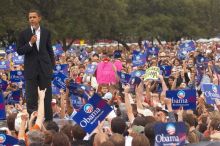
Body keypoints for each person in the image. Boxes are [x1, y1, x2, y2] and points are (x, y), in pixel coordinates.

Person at [17, 9, 55, 121]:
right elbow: (19, 51)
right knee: (31, 99)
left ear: (39, 18)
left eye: (34, 17)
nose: (32, 19)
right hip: (31, 70)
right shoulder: (24, 34)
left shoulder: (46, 32)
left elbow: (50, 50)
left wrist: (51, 67)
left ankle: (49, 123)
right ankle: (32, 124)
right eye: (30, 18)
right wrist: (30, 43)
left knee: (47, 98)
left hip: (45, 69)